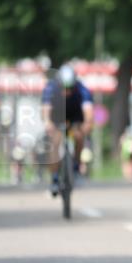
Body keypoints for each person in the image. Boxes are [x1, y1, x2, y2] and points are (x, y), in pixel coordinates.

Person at [41, 64, 94, 197]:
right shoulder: (51, 88)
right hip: (57, 115)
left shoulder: (82, 90)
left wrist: (87, 124)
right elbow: (46, 109)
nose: (67, 91)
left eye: (70, 88)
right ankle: (54, 177)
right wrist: (47, 122)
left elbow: (88, 111)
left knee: (79, 136)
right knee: (54, 141)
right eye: (64, 88)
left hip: (75, 115)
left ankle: (76, 167)